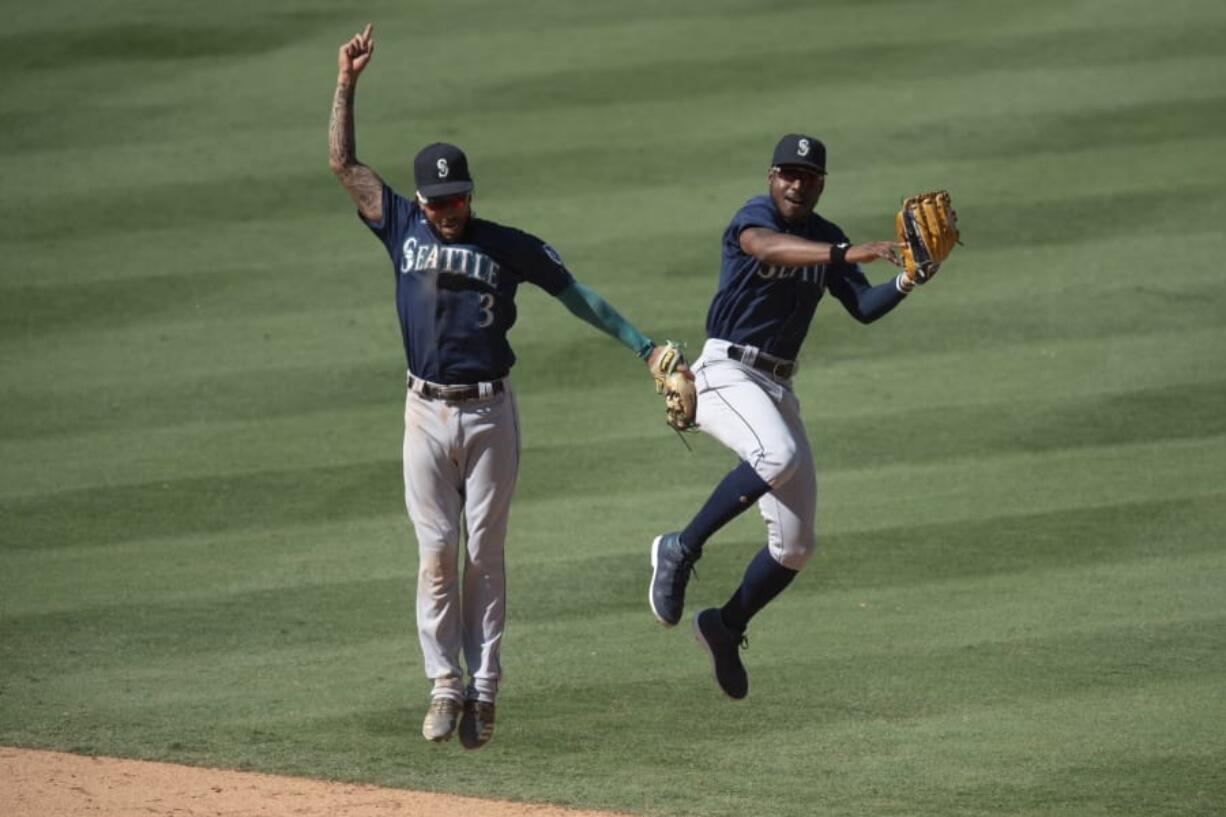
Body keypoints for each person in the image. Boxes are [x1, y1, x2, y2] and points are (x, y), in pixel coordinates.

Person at [330, 24, 686, 748]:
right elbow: (343, 163)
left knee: (483, 551)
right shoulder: (398, 223)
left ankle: (486, 688)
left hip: (491, 411)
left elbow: (577, 295)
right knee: (435, 552)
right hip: (423, 411)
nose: (444, 209)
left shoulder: (508, 244)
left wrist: (644, 348)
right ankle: (443, 684)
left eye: (454, 198)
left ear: (469, 192)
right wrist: (347, 82)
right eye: (435, 200)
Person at [649, 133, 916, 700]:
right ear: (771, 177)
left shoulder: (827, 236)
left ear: (821, 184)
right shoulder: (755, 216)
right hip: (725, 371)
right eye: (787, 173)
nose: (796, 184)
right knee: (779, 454)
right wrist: (846, 254)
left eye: (808, 176)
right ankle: (680, 546)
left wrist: (910, 279)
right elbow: (767, 248)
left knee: (795, 547)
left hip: (776, 386)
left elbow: (864, 308)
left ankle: (725, 626)